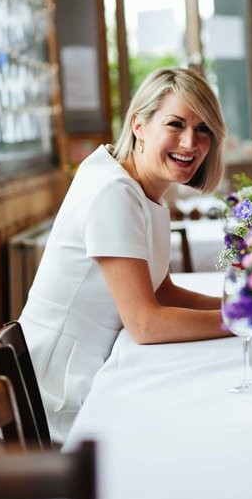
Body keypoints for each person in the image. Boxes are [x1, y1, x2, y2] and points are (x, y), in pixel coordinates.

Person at [19, 67, 231, 442]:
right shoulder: (113, 192)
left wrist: (239, 308)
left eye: (203, 130)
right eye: (175, 124)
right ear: (138, 125)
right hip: (55, 399)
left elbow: (162, 293)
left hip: (91, 372)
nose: (189, 142)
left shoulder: (142, 189)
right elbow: (146, 324)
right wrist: (240, 323)